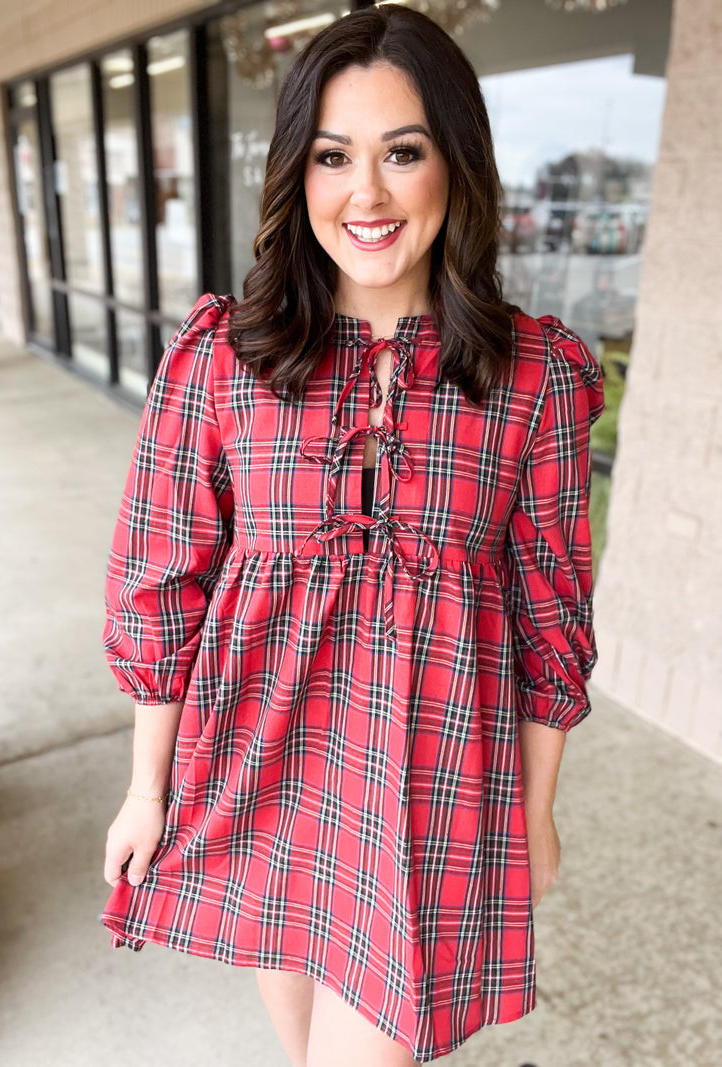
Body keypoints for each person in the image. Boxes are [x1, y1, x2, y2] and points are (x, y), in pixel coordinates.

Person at [100, 5, 605, 1065]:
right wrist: (147, 790)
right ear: (298, 173)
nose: (364, 194)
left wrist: (537, 805)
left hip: (428, 787)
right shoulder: (221, 364)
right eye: (333, 156)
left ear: (453, 166)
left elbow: (549, 609)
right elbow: (161, 581)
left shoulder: (532, 381)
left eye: (401, 152)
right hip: (255, 774)